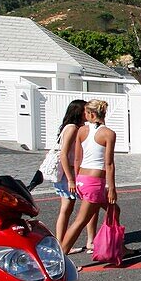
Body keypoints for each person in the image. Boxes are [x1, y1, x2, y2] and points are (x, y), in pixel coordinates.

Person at [61, 100, 118, 255]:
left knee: (114, 210)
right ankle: (61, 256)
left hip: (82, 179)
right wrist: (111, 188)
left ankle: (115, 246)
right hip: (95, 181)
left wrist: (76, 179)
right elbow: (109, 164)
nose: (84, 116)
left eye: (86, 113)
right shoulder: (108, 134)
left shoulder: (82, 131)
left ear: (92, 114)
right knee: (80, 221)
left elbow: (77, 159)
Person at [53, 99, 91, 251]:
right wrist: (70, 179)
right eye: (85, 111)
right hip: (67, 174)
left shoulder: (75, 127)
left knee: (68, 208)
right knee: (68, 208)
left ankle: (62, 243)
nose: (87, 114)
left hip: (69, 173)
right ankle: (61, 243)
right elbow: (63, 154)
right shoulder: (72, 128)